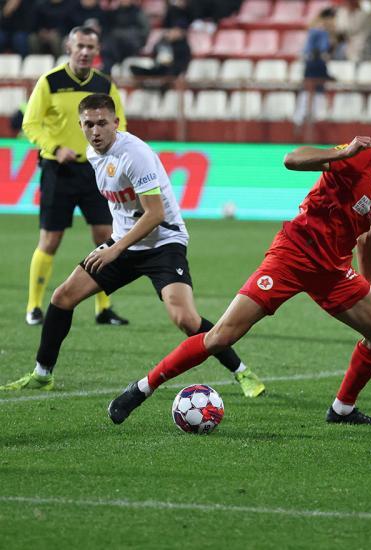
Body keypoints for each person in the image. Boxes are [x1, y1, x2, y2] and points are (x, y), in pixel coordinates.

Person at [106, 118, 371, 426]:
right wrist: (343, 152)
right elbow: (292, 159)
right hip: (292, 255)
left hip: (333, 271)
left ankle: (342, 409)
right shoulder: (360, 156)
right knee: (221, 336)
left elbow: (367, 238)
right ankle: (141, 389)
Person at [0, 93, 267, 398]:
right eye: (88, 124)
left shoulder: (134, 154)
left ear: (116, 122)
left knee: (185, 319)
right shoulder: (92, 154)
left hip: (163, 242)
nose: (96, 130)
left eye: (102, 123)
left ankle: (241, 371)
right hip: (124, 242)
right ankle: (42, 375)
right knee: (63, 297)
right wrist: (116, 243)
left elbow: (155, 214)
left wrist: (114, 248)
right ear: (80, 125)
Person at [21, 26, 128, 327]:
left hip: (97, 170)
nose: (84, 52)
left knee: (106, 238)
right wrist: (54, 147)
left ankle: (103, 308)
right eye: (80, 45)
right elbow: (31, 124)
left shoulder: (104, 85)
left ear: (97, 51)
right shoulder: (50, 82)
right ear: (69, 47)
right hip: (59, 169)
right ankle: (34, 306)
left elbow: (121, 124)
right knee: (50, 240)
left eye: (90, 47)